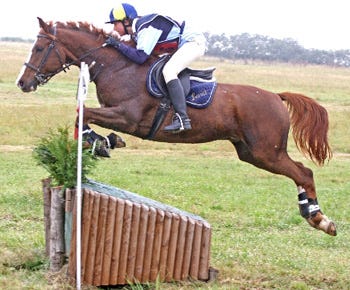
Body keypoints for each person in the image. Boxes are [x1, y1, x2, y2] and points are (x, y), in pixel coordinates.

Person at [104, 3, 207, 133]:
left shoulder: (146, 27)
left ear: (126, 21)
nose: (114, 28)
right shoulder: (138, 32)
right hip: (181, 45)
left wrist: (118, 45)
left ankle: (182, 119)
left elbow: (140, 57)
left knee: (169, 71)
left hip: (192, 42)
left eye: (115, 23)